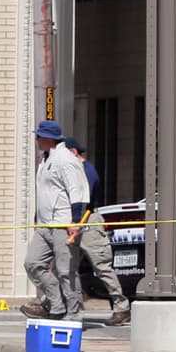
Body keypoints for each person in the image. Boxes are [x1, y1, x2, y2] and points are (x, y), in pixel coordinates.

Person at [20, 120, 88, 321]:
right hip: (44, 224)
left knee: (66, 270)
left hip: (63, 223)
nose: (37, 140)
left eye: (39, 136)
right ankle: (56, 303)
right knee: (32, 262)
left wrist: (75, 221)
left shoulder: (65, 159)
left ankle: (73, 313)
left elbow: (77, 190)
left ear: (49, 138)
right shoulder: (45, 159)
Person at [63, 137, 131, 326]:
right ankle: (54, 304)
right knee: (66, 266)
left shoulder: (87, 171)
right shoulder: (73, 170)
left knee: (101, 266)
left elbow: (85, 198)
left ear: (74, 152)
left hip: (89, 222)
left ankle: (121, 306)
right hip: (72, 222)